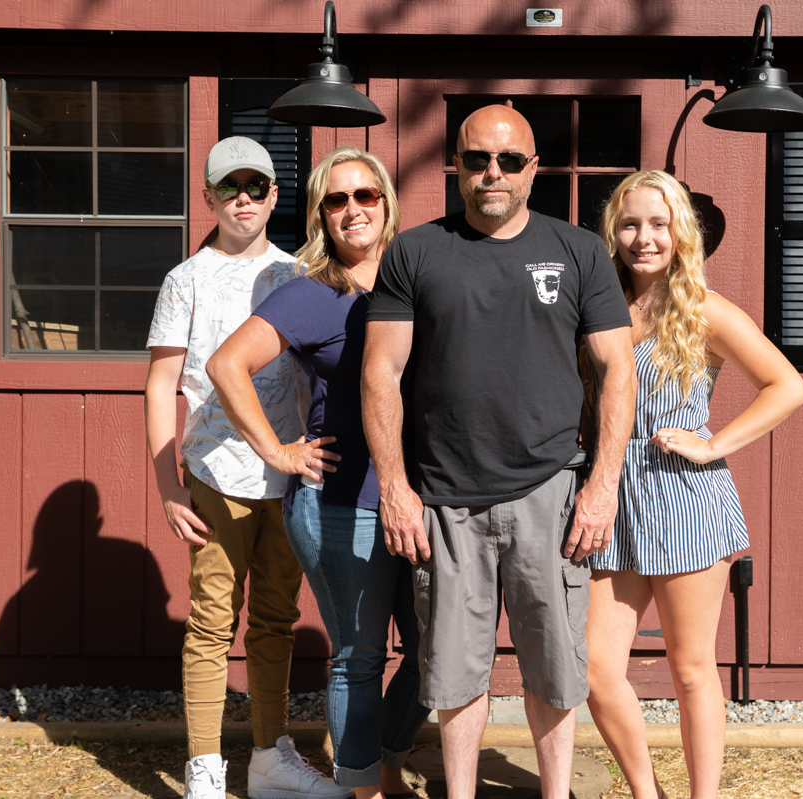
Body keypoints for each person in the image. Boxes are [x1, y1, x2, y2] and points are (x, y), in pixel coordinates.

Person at [360, 105, 638, 799]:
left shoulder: (578, 251)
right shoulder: (415, 252)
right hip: (446, 498)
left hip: (550, 493)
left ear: (532, 168)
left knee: (554, 668)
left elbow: (618, 370)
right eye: (477, 158)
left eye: (509, 161)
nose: (493, 172)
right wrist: (395, 487)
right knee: (454, 673)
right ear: (455, 164)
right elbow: (380, 373)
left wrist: (602, 486)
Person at [207, 147, 431, 799]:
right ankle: (364, 786)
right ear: (319, 216)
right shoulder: (311, 295)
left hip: (422, 499)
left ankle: (383, 753)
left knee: (434, 654)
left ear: (387, 204)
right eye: (336, 200)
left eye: (365, 195)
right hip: (339, 503)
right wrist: (279, 453)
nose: (352, 209)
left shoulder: (420, 280)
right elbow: (226, 366)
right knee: (359, 658)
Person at [584, 170, 803, 799]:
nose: (643, 238)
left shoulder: (703, 309)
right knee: (598, 668)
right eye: (630, 224)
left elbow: (788, 385)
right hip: (611, 499)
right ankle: (646, 793)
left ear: (681, 233)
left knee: (689, 669)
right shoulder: (596, 305)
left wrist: (714, 444)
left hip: (685, 499)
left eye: (659, 224)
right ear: (613, 231)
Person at [144, 136, 352, 799]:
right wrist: (169, 485)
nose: (244, 198)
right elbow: (160, 384)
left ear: (273, 196)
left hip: (288, 477)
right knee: (211, 621)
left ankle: (269, 756)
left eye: (256, 186)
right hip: (216, 476)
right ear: (207, 195)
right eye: (229, 186)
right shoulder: (187, 279)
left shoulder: (299, 274)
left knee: (274, 620)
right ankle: (205, 767)